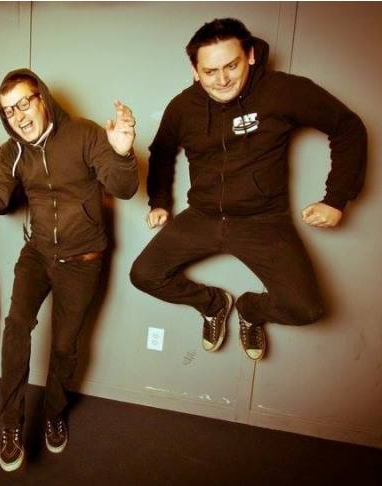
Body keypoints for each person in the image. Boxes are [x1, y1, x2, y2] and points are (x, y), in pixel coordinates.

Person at [0, 69, 138, 471]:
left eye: (24, 103)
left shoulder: (84, 134)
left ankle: (54, 412)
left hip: (82, 261)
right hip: (38, 255)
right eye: (9, 111)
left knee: (64, 346)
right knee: (16, 327)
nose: (19, 116)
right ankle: (11, 423)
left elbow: (124, 187)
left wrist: (122, 153)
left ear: (42, 98)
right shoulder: (12, 153)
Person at [130, 18, 367, 361]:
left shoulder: (282, 90)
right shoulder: (183, 106)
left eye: (231, 65)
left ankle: (250, 310)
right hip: (202, 216)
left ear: (251, 55)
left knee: (306, 308)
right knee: (143, 275)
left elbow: (348, 128)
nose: (222, 79)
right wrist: (159, 202)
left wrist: (336, 199)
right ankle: (213, 304)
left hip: (263, 221)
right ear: (195, 71)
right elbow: (162, 153)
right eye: (210, 71)